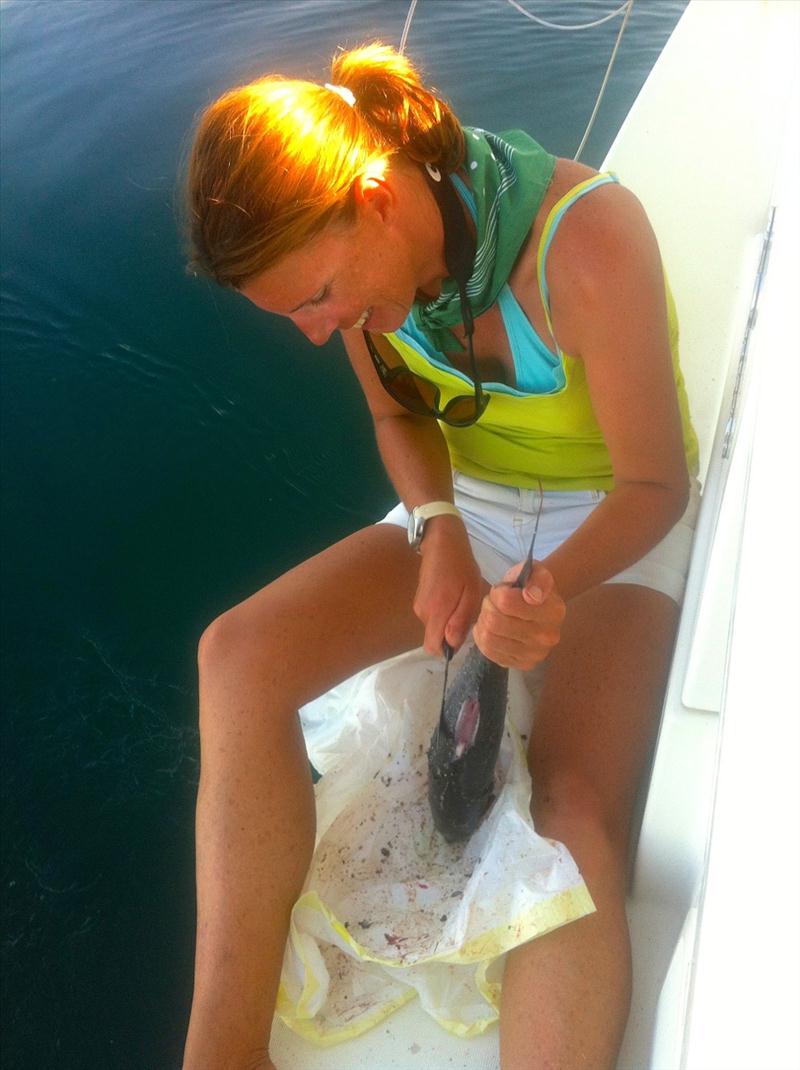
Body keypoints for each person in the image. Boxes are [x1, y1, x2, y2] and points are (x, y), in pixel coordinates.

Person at [181, 42, 699, 1070]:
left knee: (571, 804)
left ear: (374, 195)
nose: (319, 333)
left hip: (615, 515)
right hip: (473, 505)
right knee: (234, 654)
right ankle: (221, 1049)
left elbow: (656, 484)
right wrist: (438, 525)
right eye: (293, 313)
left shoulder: (585, 241)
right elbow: (400, 423)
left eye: (317, 295)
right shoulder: (373, 286)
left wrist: (544, 589)